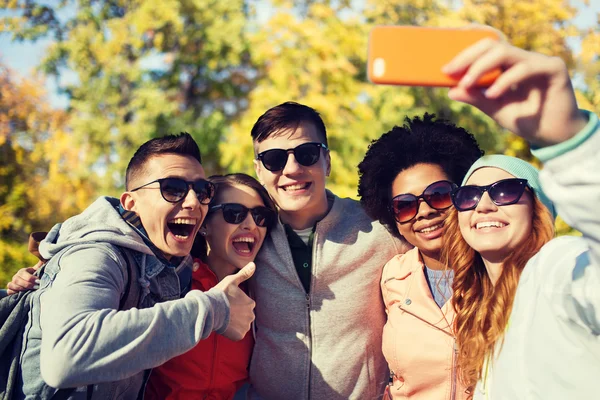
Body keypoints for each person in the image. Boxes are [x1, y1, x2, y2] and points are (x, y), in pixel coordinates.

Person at [17, 133, 256, 399]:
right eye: (173, 188)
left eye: (202, 192)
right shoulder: (97, 253)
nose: (192, 202)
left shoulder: (171, 263)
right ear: (131, 203)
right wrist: (215, 309)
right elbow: (66, 357)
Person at [441, 38, 599, 399]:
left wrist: (569, 141)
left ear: (538, 207)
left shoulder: (559, 269)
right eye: (468, 195)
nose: (483, 206)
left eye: (504, 190)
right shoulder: (475, 308)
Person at [247, 102, 410, 399]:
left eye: (306, 153)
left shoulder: (380, 229)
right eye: (274, 159)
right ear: (259, 170)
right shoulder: (247, 237)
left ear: (327, 161)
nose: (292, 169)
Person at [357, 114, 483, 399]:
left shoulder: (500, 270)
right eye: (405, 205)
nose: (424, 212)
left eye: (438, 195)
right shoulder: (392, 276)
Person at [145, 173, 276, 400]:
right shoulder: (167, 284)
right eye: (234, 213)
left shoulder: (262, 296)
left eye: (260, 216)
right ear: (204, 224)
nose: (251, 224)